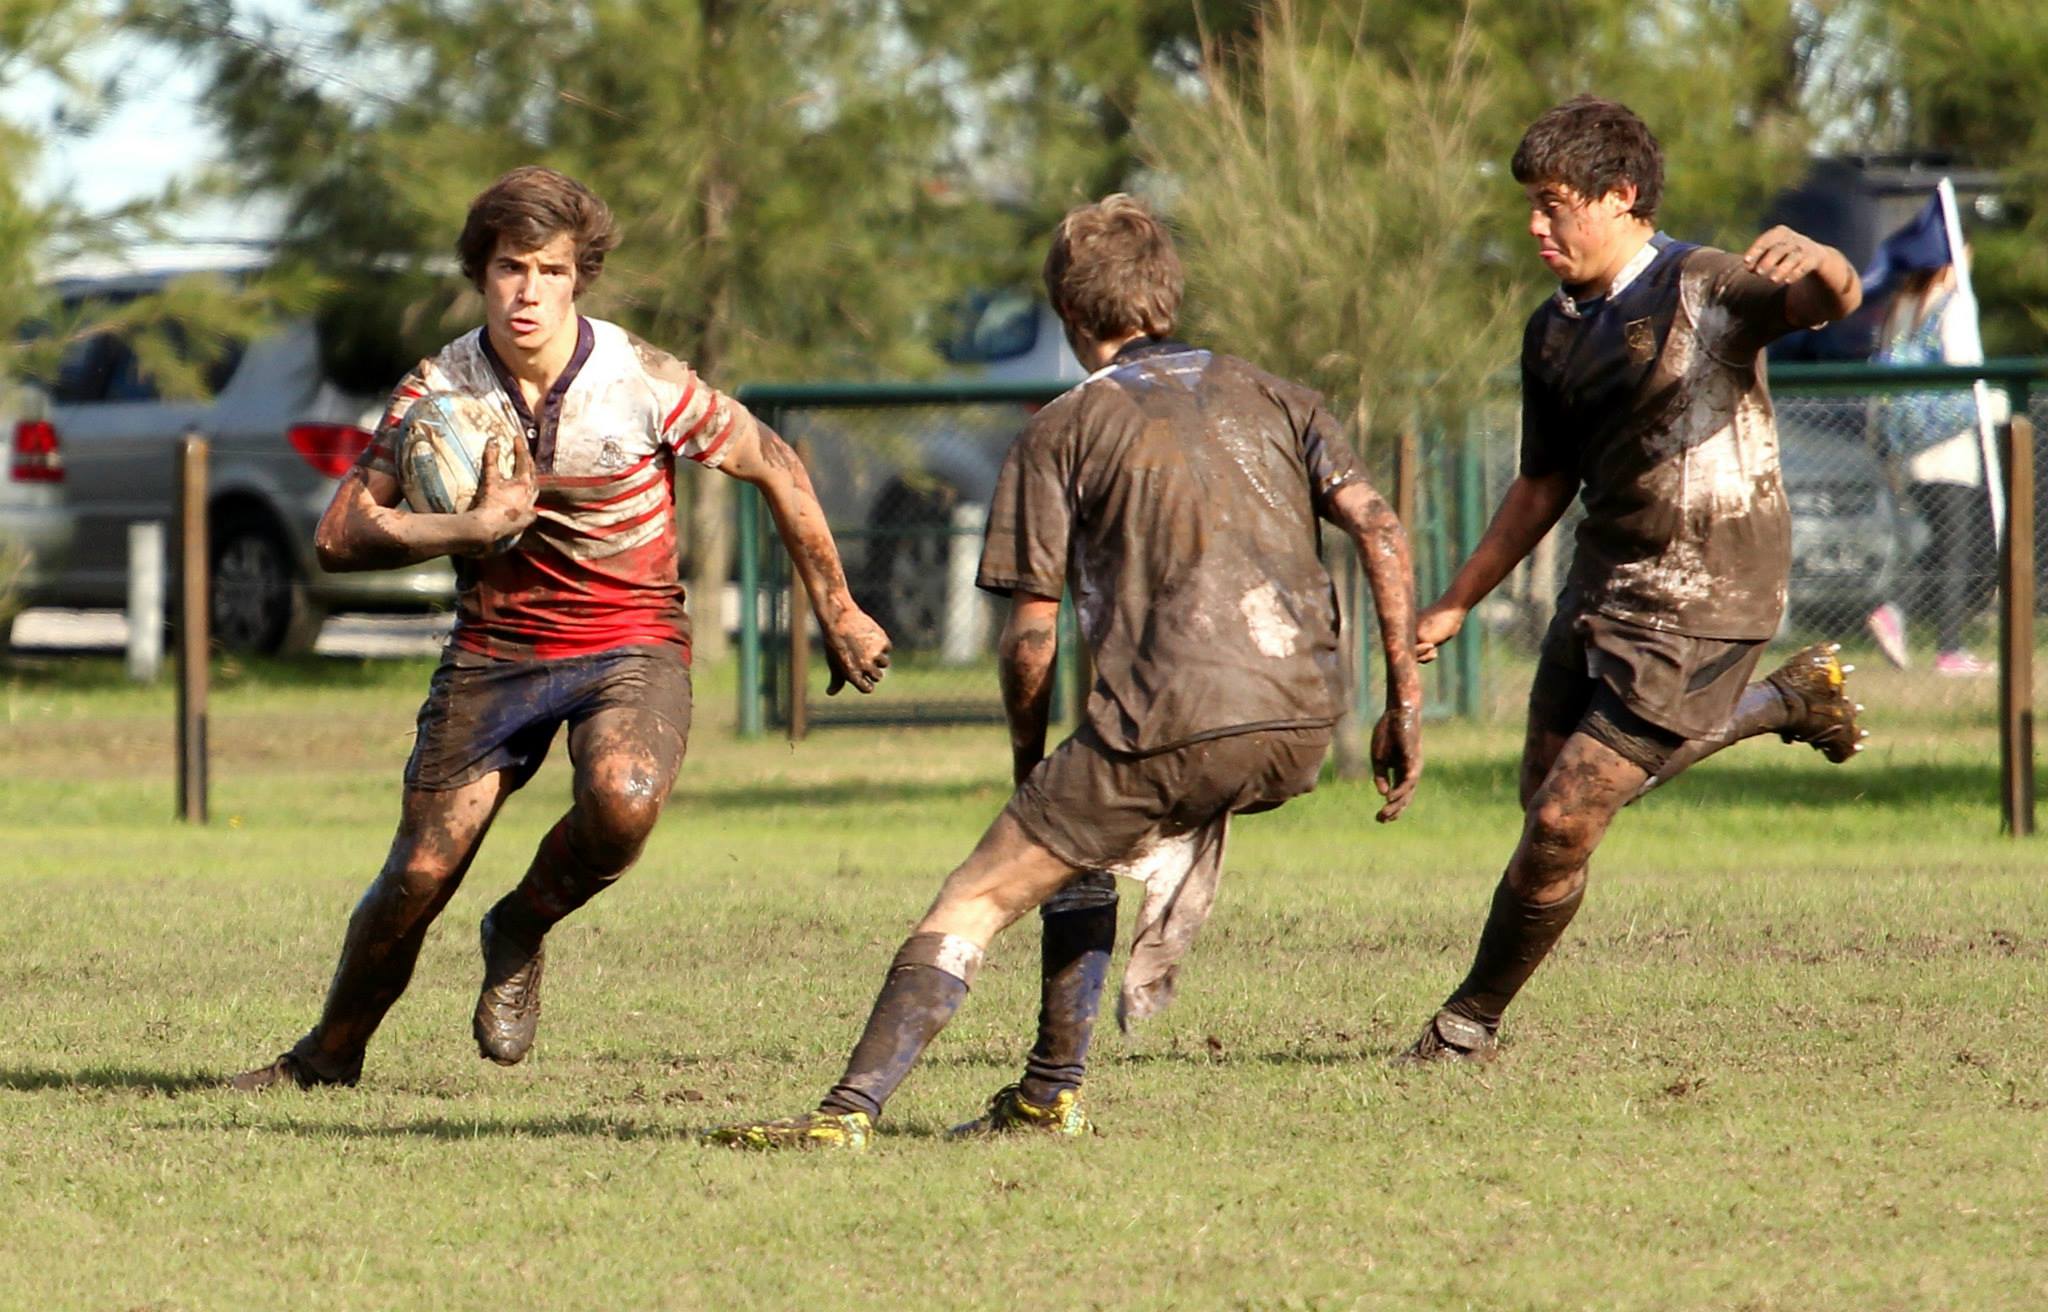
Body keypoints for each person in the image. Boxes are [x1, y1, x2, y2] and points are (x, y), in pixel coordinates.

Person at [707, 193, 1424, 1150]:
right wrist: (1401, 705)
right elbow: (1379, 525)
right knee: (1084, 853)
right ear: (1164, 298)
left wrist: (1026, 755)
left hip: (1169, 722)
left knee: (979, 893)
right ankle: (1047, 1096)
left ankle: (844, 1117)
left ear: (1068, 313)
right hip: (1301, 723)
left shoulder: (1063, 427)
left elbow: (1031, 638)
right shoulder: (1279, 396)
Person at [230, 166, 890, 1090]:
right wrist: (468, 527)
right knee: (418, 873)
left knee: (622, 801)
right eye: (508, 267)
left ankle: (520, 925)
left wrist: (841, 608)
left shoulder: (642, 379)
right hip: (495, 652)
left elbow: (775, 461)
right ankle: (324, 1060)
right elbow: (339, 534)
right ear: (481, 273)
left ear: (579, 274)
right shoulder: (441, 389)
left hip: (630, 643)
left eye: (548, 268)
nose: (527, 290)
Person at [1400, 97, 1867, 1064]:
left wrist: (1825, 260)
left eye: (1554, 204)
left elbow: (1829, 301)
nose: (1535, 224)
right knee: (1546, 801)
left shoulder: (1703, 287)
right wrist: (1455, 602)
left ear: (1621, 198)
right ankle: (1787, 702)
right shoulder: (1553, 329)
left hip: (1708, 591)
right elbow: (1541, 485)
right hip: (1603, 582)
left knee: (1567, 819)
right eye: (1531, 204)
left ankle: (1466, 1025)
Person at [1863, 260, 2001, 676]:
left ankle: (1899, 612)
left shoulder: (1899, 308)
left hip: (1907, 450)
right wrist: (1995, 403)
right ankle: (1947, 647)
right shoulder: (1952, 307)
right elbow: (1965, 372)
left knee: (1943, 545)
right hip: (1946, 449)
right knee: (1959, 549)